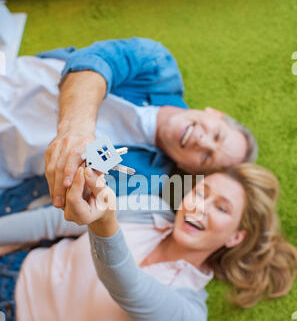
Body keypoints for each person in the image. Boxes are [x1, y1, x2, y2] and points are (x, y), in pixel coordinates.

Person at [0, 162, 297, 321]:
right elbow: (53, 222)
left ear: (235, 237)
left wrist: (105, 224)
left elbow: (127, 288)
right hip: (12, 269)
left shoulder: (190, 316)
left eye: (221, 208)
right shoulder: (149, 210)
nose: (199, 207)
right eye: (199, 193)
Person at [0, 37, 258, 209]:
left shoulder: (144, 182)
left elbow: (71, 200)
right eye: (217, 136)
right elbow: (93, 66)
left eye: (206, 157)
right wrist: (76, 132)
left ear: (189, 169)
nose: (201, 141)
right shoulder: (159, 67)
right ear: (215, 113)